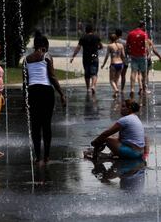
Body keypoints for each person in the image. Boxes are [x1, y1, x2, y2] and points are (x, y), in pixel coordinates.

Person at [24, 32, 66, 164]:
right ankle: (47, 156)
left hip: (32, 91)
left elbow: (24, 81)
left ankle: (37, 157)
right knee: (46, 124)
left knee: (35, 125)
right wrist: (61, 94)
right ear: (44, 45)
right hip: (46, 91)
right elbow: (52, 77)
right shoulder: (47, 56)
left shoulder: (26, 59)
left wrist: (24, 101)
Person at [70, 25, 103, 93]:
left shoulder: (83, 37)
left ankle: (88, 88)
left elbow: (78, 47)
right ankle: (93, 86)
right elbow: (101, 46)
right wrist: (97, 48)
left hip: (86, 57)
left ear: (86, 30)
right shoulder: (96, 37)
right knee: (94, 73)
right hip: (94, 56)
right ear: (92, 30)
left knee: (87, 73)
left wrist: (73, 56)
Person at [126, 21, 148, 95]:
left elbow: (127, 45)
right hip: (142, 55)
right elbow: (146, 45)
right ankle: (144, 89)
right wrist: (147, 53)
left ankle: (132, 89)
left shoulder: (131, 33)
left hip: (133, 56)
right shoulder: (144, 34)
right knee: (144, 74)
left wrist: (128, 53)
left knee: (133, 72)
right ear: (143, 26)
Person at [101, 33, 126, 97]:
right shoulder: (121, 45)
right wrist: (123, 63)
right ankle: (116, 93)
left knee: (111, 80)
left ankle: (116, 90)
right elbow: (123, 55)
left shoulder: (110, 46)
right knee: (116, 80)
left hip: (113, 64)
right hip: (120, 64)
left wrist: (103, 64)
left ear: (110, 39)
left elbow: (107, 56)